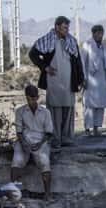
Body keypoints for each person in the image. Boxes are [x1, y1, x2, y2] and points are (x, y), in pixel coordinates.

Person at [28, 16, 82, 149]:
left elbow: (78, 61)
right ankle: (55, 140)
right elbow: (32, 54)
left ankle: (67, 138)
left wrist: (80, 79)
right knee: (55, 111)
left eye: (67, 28)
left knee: (68, 110)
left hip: (69, 81)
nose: (66, 30)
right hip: (54, 81)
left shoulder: (71, 41)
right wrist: (45, 67)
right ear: (57, 27)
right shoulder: (47, 40)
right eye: (64, 27)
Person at [12, 86, 55, 200]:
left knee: (44, 162)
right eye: (28, 98)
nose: (31, 101)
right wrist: (23, 144)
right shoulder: (20, 111)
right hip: (24, 140)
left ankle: (47, 194)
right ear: (26, 97)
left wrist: (40, 144)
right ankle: (14, 191)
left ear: (37, 97)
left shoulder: (45, 112)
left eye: (33, 98)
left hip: (40, 141)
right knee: (17, 161)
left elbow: (49, 133)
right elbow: (19, 131)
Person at [81, 25, 106, 137]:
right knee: (89, 105)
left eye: (101, 33)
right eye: (98, 33)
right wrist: (83, 78)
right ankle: (87, 129)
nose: (100, 36)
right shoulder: (87, 44)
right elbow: (82, 62)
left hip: (102, 79)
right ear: (93, 34)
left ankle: (96, 128)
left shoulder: (103, 46)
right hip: (90, 79)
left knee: (100, 105)